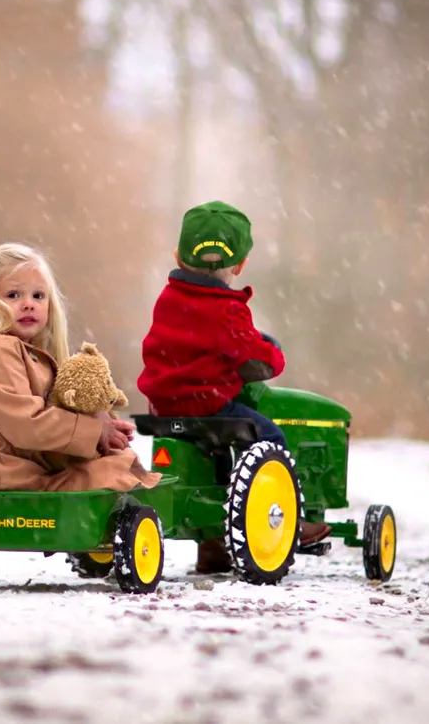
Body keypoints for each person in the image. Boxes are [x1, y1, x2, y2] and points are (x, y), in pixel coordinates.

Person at [137, 201, 332, 574]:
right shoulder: (227, 308)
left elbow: (194, 343)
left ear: (178, 255)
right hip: (205, 406)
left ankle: (214, 546)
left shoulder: (169, 298)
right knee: (268, 435)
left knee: (220, 460)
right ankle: (288, 518)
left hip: (162, 407)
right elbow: (253, 354)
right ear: (240, 265)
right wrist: (272, 352)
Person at [0, 242, 160, 492]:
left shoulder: (27, 355)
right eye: (13, 295)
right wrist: (93, 431)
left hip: (14, 466)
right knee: (108, 475)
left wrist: (96, 419)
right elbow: (27, 424)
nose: (28, 304)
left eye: (38, 296)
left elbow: (45, 416)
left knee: (113, 465)